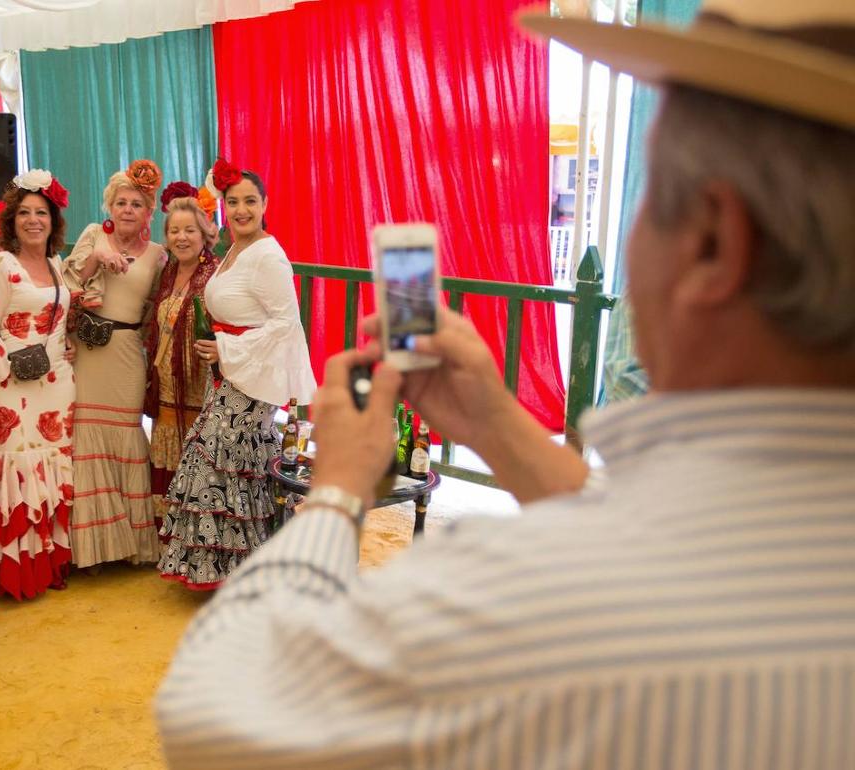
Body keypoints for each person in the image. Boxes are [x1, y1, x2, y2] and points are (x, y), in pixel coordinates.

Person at [155, 4, 855, 767]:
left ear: (715, 245)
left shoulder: (519, 591)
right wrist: (498, 424)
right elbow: (652, 541)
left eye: (649, 200)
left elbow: (211, 714)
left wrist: (336, 494)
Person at [156, 160, 316, 590]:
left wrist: (228, 347)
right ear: (224, 206)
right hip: (228, 371)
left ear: (265, 204)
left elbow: (286, 324)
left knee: (221, 456)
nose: (241, 209)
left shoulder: (268, 255)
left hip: (252, 375)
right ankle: (240, 567)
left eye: (250, 201)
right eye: (233, 201)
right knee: (236, 464)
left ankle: (244, 570)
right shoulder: (235, 248)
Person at [0, 170, 76, 599]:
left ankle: (48, 565)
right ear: (11, 220)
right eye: (25, 213)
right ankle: (13, 574)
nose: (33, 220)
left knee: (50, 468)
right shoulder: (0, 264)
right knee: (12, 465)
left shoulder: (56, 265)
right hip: (8, 384)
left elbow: (59, 320)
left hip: (56, 385)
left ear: (53, 220)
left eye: (41, 212)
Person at [61, 159, 167, 570]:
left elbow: (158, 308)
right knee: (86, 439)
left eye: (136, 204)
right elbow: (69, 287)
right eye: (121, 202)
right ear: (109, 206)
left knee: (125, 438)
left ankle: (129, 545)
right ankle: (91, 550)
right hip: (86, 349)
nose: (127, 209)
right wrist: (98, 258)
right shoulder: (92, 235)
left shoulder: (158, 255)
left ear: (148, 212)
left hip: (126, 354)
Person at [143, 182, 220, 523]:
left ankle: (195, 533)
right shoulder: (167, 272)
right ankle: (167, 533)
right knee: (168, 452)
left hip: (200, 384)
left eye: (190, 230)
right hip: (166, 387)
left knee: (199, 455)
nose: (181, 237)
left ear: (205, 234)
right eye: (174, 231)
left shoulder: (216, 276)